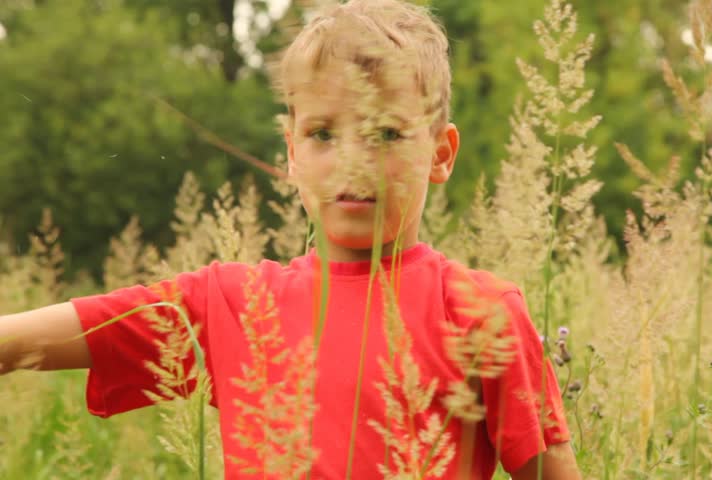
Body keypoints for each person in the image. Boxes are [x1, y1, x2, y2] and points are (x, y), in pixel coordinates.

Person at [0, 1, 581, 478]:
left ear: (441, 153)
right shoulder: (234, 302)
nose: (354, 163)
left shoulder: (482, 313)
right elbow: (25, 340)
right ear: (292, 151)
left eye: (386, 133)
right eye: (324, 133)